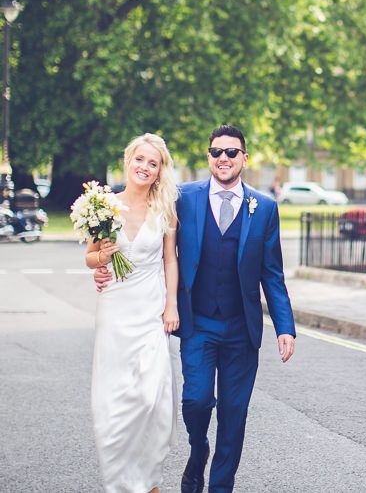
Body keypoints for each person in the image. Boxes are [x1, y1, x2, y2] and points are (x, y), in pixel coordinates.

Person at [95, 124, 296, 493]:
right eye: (217, 152)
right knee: (196, 400)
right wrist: (105, 269)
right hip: (199, 324)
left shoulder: (264, 208)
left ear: (244, 159)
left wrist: (285, 326)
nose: (224, 158)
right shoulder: (183, 198)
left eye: (232, 152)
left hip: (242, 330)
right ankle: (197, 447)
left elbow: (272, 272)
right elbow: (153, 243)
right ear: (208, 157)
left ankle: (220, 487)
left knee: (234, 417)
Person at [87, 133, 179, 493]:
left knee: (151, 396)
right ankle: (121, 483)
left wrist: (171, 304)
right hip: (115, 307)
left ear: (159, 171)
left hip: (151, 308)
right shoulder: (103, 205)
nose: (144, 167)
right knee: (115, 399)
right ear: (128, 160)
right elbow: (90, 256)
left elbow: (170, 259)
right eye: (140, 159)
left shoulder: (165, 208)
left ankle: (148, 478)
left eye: (152, 163)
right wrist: (101, 260)